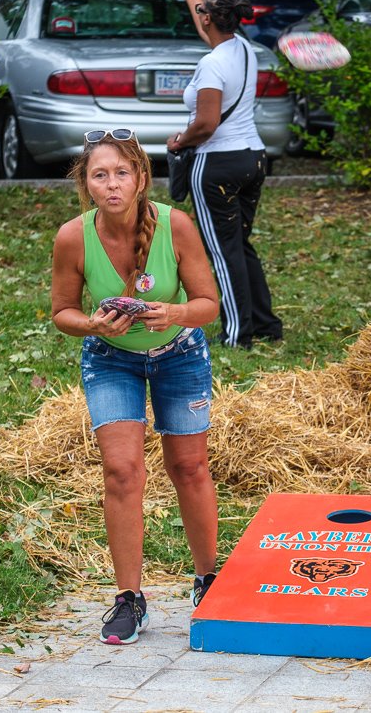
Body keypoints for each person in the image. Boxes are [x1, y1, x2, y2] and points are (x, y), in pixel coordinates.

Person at [51, 129, 221, 645]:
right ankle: (129, 599)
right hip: (111, 359)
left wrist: (173, 313)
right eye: (99, 175)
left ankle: (208, 579)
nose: (112, 184)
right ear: (86, 184)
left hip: (180, 355)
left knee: (188, 466)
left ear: (142, 178)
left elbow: (208, 304)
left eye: (122, 173)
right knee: (122, 470)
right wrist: (94, 326)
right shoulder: (72, 236)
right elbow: (62, 312)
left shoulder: (177, 225)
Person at [166, 0, 284, 347]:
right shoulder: (242, 49)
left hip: (217, 164)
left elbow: (206, 124)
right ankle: (265, 324)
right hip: (253, 160)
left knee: (221, 251)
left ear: (209, 18)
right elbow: (207, 26)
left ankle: (238, 334)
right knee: (240, 244)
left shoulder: (211, 64)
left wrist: (180, 141)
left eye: (203, 11)